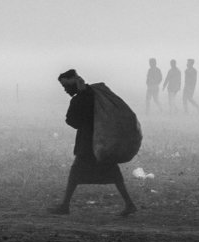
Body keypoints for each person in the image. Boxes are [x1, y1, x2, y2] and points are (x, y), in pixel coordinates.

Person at [49, 69, 137, 217]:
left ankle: (65, 206)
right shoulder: (95, 94)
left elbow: (73, 121)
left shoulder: (80, 98)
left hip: (88, 143)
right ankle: (129, 204)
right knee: (112, 172)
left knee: (75, 173)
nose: (65, 90)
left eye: (65, 86)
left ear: (73, 82)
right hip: (103, 141)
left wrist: (78, 101)